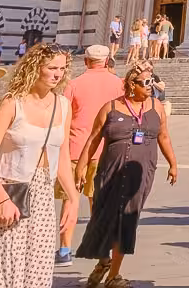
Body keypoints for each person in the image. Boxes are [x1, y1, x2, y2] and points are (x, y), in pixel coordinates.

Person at [0, 44, 80, 287]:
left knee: (39, 275)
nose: (58, 74)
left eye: (62, 69)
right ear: (35, 68)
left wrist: (73, 199)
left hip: (43, 197)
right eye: (52, 68)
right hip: (10, 193)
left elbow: (62, 156)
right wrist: (1, 200)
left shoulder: (62, 106)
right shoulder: (12, 104)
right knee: (5, 275)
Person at [76, 62, 178, 288]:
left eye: (152, 81)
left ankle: (113, 275)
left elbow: (164, 137)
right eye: (146, 82)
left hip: (139, 174)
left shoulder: (157, 106)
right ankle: (103, 260)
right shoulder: (110, 108)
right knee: (103, 219)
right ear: (131, 85)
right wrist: (81, 166)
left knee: (127, 220)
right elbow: (94, 139)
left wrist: (173, 163)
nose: (151, 86)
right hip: (110, 172)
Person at [56, 44, 125, 266]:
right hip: (105, 150)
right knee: (100, 201)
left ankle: (65, 250)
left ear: (85, 61)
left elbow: (62, 120)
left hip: (75, 150)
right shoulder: (119, 85)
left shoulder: (73, 85)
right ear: (107, 61)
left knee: (70, 200)